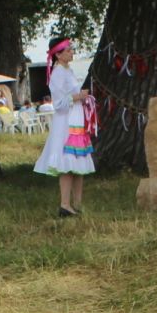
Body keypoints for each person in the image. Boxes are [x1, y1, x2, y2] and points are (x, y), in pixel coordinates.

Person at [32, 35, 94, 216]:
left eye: (71, 49)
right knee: (67, 164)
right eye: (68, 50)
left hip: (76, 119)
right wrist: (78, 97)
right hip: (66, 123)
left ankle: (77, 203)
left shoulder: (68, 71)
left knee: (78, 163)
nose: (72, 52)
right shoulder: (58, 73)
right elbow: (58, 103)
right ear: (58, 55)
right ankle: (65, 204)